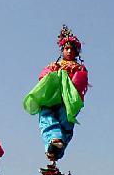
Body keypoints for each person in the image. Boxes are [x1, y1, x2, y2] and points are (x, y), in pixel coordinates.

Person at [23, 25, 89, 161]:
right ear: (62, 50)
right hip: (51, 97)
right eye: (66, 48)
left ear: (76, 52)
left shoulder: (79, 68)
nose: (69, 51)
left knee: (65, 122)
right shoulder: (54, 65)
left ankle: (56, 148)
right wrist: (54, 73)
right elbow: (42, 78)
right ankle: (54, 141)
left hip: (67, 100)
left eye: (72, 49)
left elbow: (79, 84)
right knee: (46, 117)